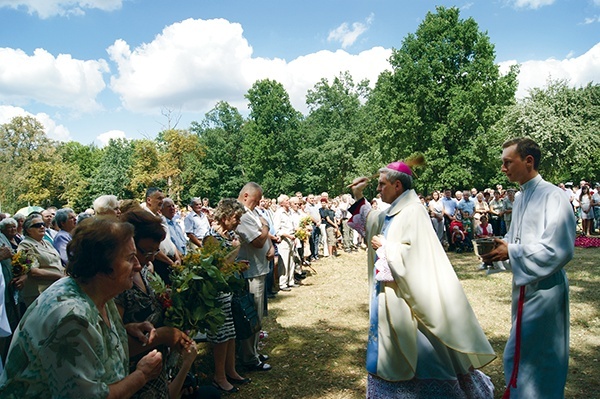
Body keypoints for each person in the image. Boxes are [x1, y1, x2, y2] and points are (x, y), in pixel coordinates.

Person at [348, 160, 495, 398]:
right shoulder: (395, 211)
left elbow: (416, 256)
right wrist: (357, 194)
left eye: (381, 185)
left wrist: (387, 248)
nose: (378, 190)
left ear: (397, 185)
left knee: (426, 350)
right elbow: (372, 221)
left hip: (410, 300)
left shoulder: (413, 211)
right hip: (393, 294)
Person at [0, 217, 164, 398]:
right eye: (130, 258)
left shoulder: (98, 292)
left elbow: (93, 339)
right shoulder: (71, 317)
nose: (138, 265)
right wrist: (142, 375)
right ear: (102, 265)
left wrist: (123, 330)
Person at [481, 137, 575, 398]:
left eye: (507, 162)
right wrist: (497, 250)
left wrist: (510, 251)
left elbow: (558, 249)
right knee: (519, 351)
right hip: (524, 289)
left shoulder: (554, 197)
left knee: (540, 357)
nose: (503, 168)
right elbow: (515, 239)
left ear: (529, 161)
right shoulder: (521, 198)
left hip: (546, 291)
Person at [116, 208, 202, 399]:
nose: (152, 258)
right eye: (146, 251)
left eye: (156, 251)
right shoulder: (118, 286)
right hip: (134, 379)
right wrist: (163, 335)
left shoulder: (144, 270)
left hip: (157, 372)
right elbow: (117, 346)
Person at [204, 199, 250, 393]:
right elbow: (217, 268)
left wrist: (238, 265)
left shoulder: (229, 236)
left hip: (227, 293)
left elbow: (228, 266)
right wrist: (236, 249)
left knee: (230, 334)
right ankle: (219, 376)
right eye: (236, 218)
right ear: (224, 217)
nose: (238, 222)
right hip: (215, 294)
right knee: (220, 336)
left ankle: (230, 371)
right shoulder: (211, 239)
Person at [235, 182, 274, 371]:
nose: (258, 204)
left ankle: (254, 351)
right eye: (255, 200)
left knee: (257, 315)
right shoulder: (241, 214)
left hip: (260, 269)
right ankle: (249, 357)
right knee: (251, 316)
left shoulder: (251, 213)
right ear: (245, 196)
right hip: (251, 272)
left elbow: (265, 238)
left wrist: (271, 245)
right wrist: (266, 228)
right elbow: (258, 241)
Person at [17, 212, 65, 306]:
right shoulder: (24, 245)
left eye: (42, 224)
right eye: (37, 225)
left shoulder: (47, 242)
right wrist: (59, 276)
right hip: (40, 294)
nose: (42, 227)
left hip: (56, 288)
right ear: (28, 230)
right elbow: (33, 271)